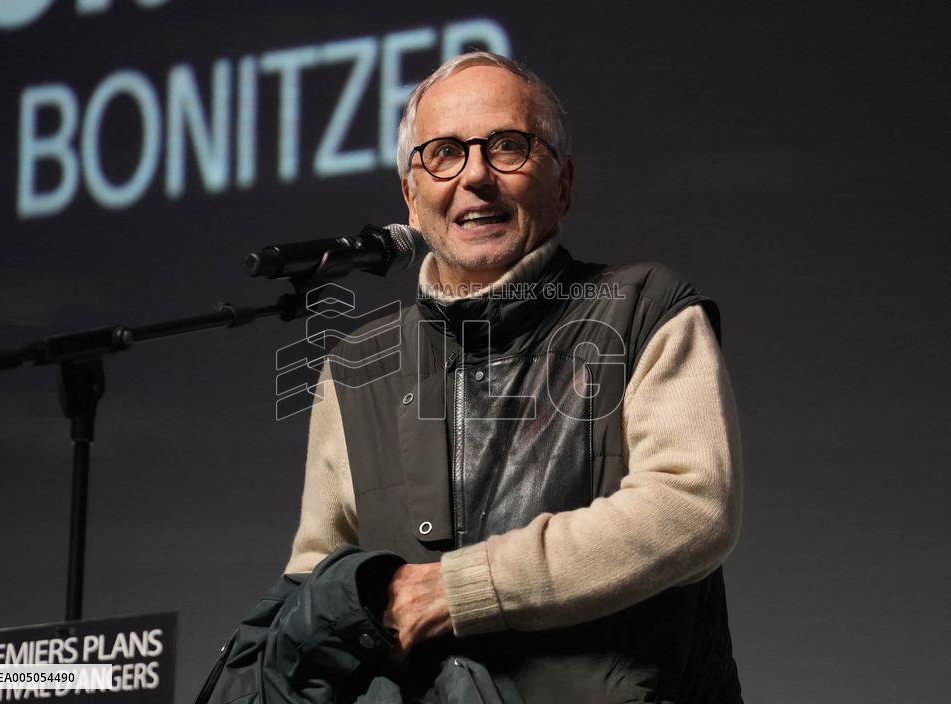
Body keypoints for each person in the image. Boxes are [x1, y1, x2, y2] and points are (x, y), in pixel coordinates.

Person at [285, 51, 744, 702]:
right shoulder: (356, 370)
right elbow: (313, 591)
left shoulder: (647, 308)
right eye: (443, 152)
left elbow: (691, 507)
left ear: (564, 182)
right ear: (410, 199)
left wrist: (459, 589)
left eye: (507, 146)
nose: (476, 176)